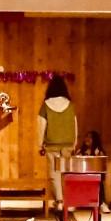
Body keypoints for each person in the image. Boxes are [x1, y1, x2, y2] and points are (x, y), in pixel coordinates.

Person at [38, 75, 77, 210]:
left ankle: (60, 201)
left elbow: (42, 125)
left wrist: (40, 144)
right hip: (68, 143)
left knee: (54, 173)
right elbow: (75, 124)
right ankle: (69, 201)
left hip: (52, 144)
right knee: (66, 172)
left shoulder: (46, 105)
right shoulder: (70, 105)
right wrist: (75, 142)